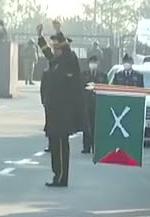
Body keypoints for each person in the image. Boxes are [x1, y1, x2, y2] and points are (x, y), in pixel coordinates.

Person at [36, 22, 82, 187]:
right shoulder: (55, 63)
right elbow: (46, 52)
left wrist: (58, 31)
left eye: (58, 48)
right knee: (54, 146)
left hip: (64, 114)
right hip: (53, 113)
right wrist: (40, 37)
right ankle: (57, 175)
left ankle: (62, 177)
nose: (55, 50)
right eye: (54, 48)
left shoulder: (69, 61)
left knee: (61, 146)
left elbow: (67, 52)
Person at [81, 54, 106, 154]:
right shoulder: (83, 75)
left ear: (98, 64)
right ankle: (86, 146)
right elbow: (80, 88)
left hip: (98, 104)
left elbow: (105, 89)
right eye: (91, 63)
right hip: (86, 103)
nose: (93, 64)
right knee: (86, 125)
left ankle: (95, 146)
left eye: (94, 63)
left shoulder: (102, 75)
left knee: (96, 126)